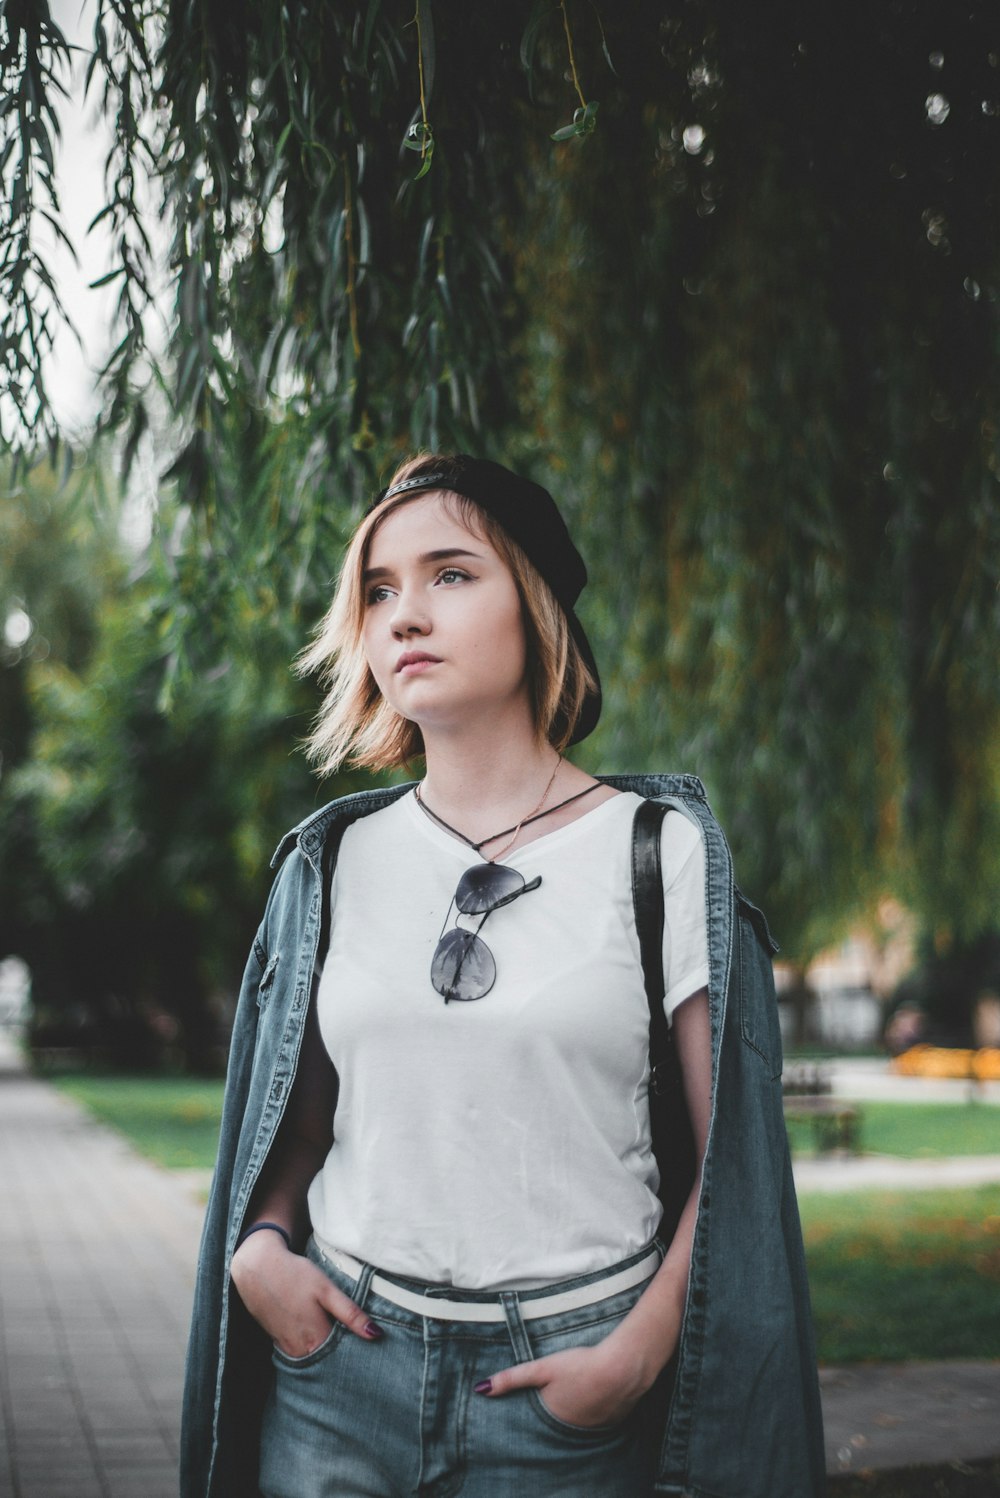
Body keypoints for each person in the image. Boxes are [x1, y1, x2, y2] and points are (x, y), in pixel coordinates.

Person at [181, 454, 825, 1498]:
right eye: (379, 589)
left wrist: (636, 1353)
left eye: (449, 574)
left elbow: (734, 1162)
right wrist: (261, 1251)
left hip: (563, 1393)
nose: (403, 615)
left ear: (535, 606)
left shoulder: (656, 850)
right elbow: (301, 1130)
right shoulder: (334, 860)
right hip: (338, 1376)